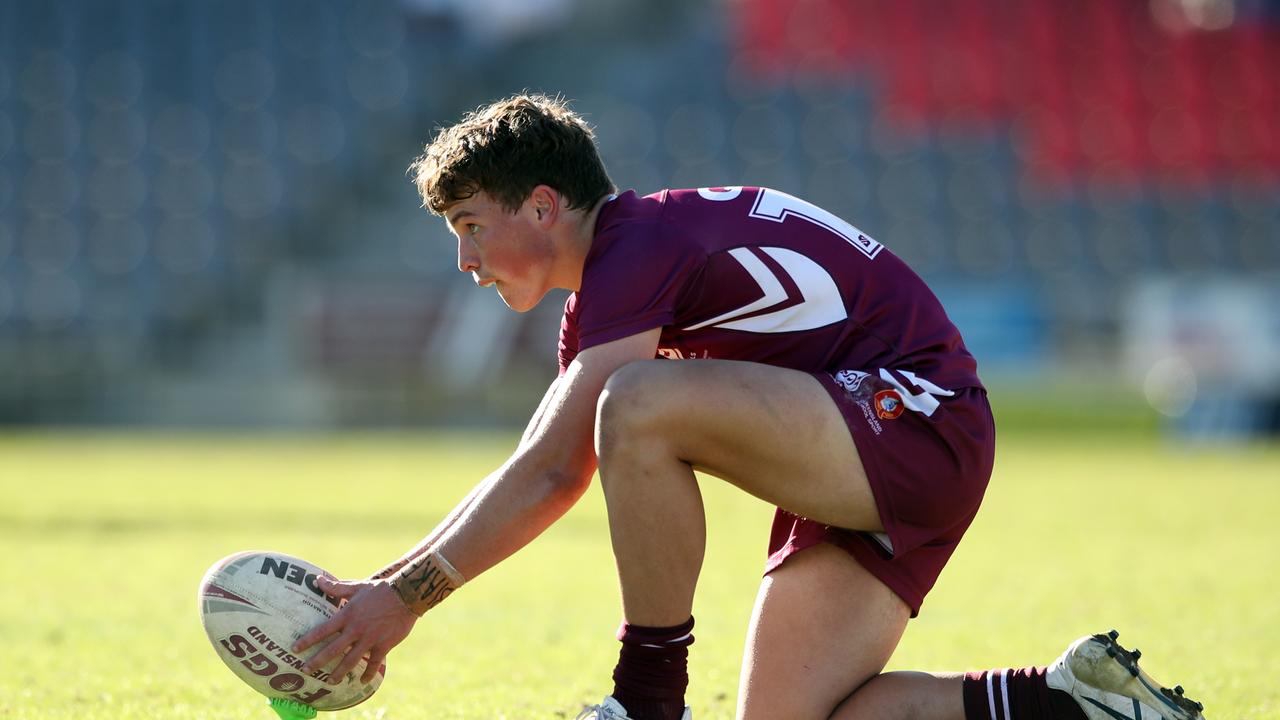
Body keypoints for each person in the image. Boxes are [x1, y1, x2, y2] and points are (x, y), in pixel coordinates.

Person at [291, 94, 1206, 720]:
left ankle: (646, 696)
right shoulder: (615, 281)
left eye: (471, 226)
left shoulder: (635, 249)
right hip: (885, 438)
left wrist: (401, 601)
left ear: (540, 205)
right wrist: (387, 590)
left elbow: (558, 467)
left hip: (908, 420)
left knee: (637, 402)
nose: (466, 260)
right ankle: (1066, 701)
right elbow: (545, 461)